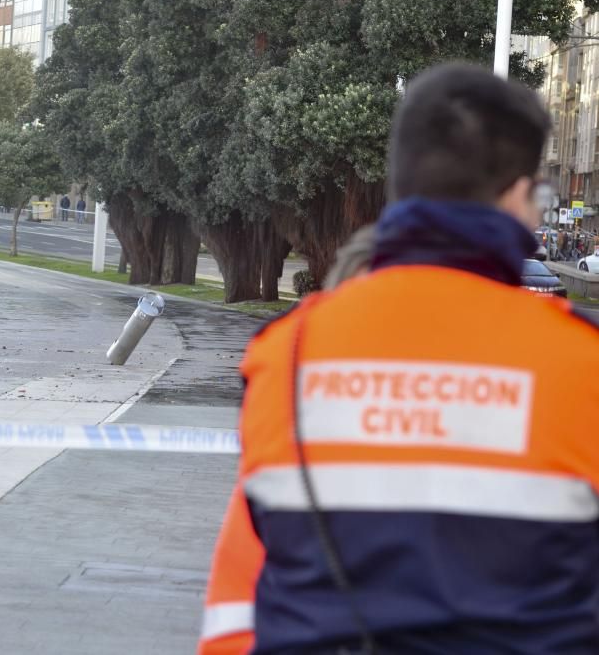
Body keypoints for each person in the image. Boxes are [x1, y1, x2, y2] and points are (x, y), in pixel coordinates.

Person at [199, 62, 599, 655]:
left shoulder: (287, 354)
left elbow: (239, 590)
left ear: (401, 181)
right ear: (517, 192)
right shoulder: (580, 363)